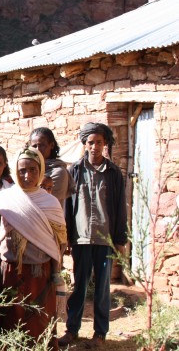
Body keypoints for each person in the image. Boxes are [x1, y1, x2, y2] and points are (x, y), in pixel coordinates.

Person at [0, 148, 67, 349]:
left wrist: (57, 270)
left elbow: (60, 241)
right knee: (10, 321)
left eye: (33, 170)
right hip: (10, 272)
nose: (27, 176)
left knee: (39, 323)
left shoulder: (50, 203)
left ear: (40, 170)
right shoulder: (4, 199)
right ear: (15, 171)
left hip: (41, 274)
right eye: (22, 170)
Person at [59, 123, 127, 349]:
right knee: (79, 286)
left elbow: (120, 207)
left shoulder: (114, 173)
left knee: (102, 288)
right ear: (84, 144)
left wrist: (119, 240)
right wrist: (67, 236)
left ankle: (100, 333)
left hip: (104, 240)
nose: (95, 147)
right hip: (81, 239)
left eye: (99, 142)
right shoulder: (75, 171)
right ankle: (72, 329)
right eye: (91, 142)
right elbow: (68, 205)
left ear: (105, 143)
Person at [29, 127, 75, 210]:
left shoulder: (59, 172)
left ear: (52, 145)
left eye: (42, 145)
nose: (38, 150)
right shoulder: (29, 169)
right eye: (34, 146)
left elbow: (40, 199)